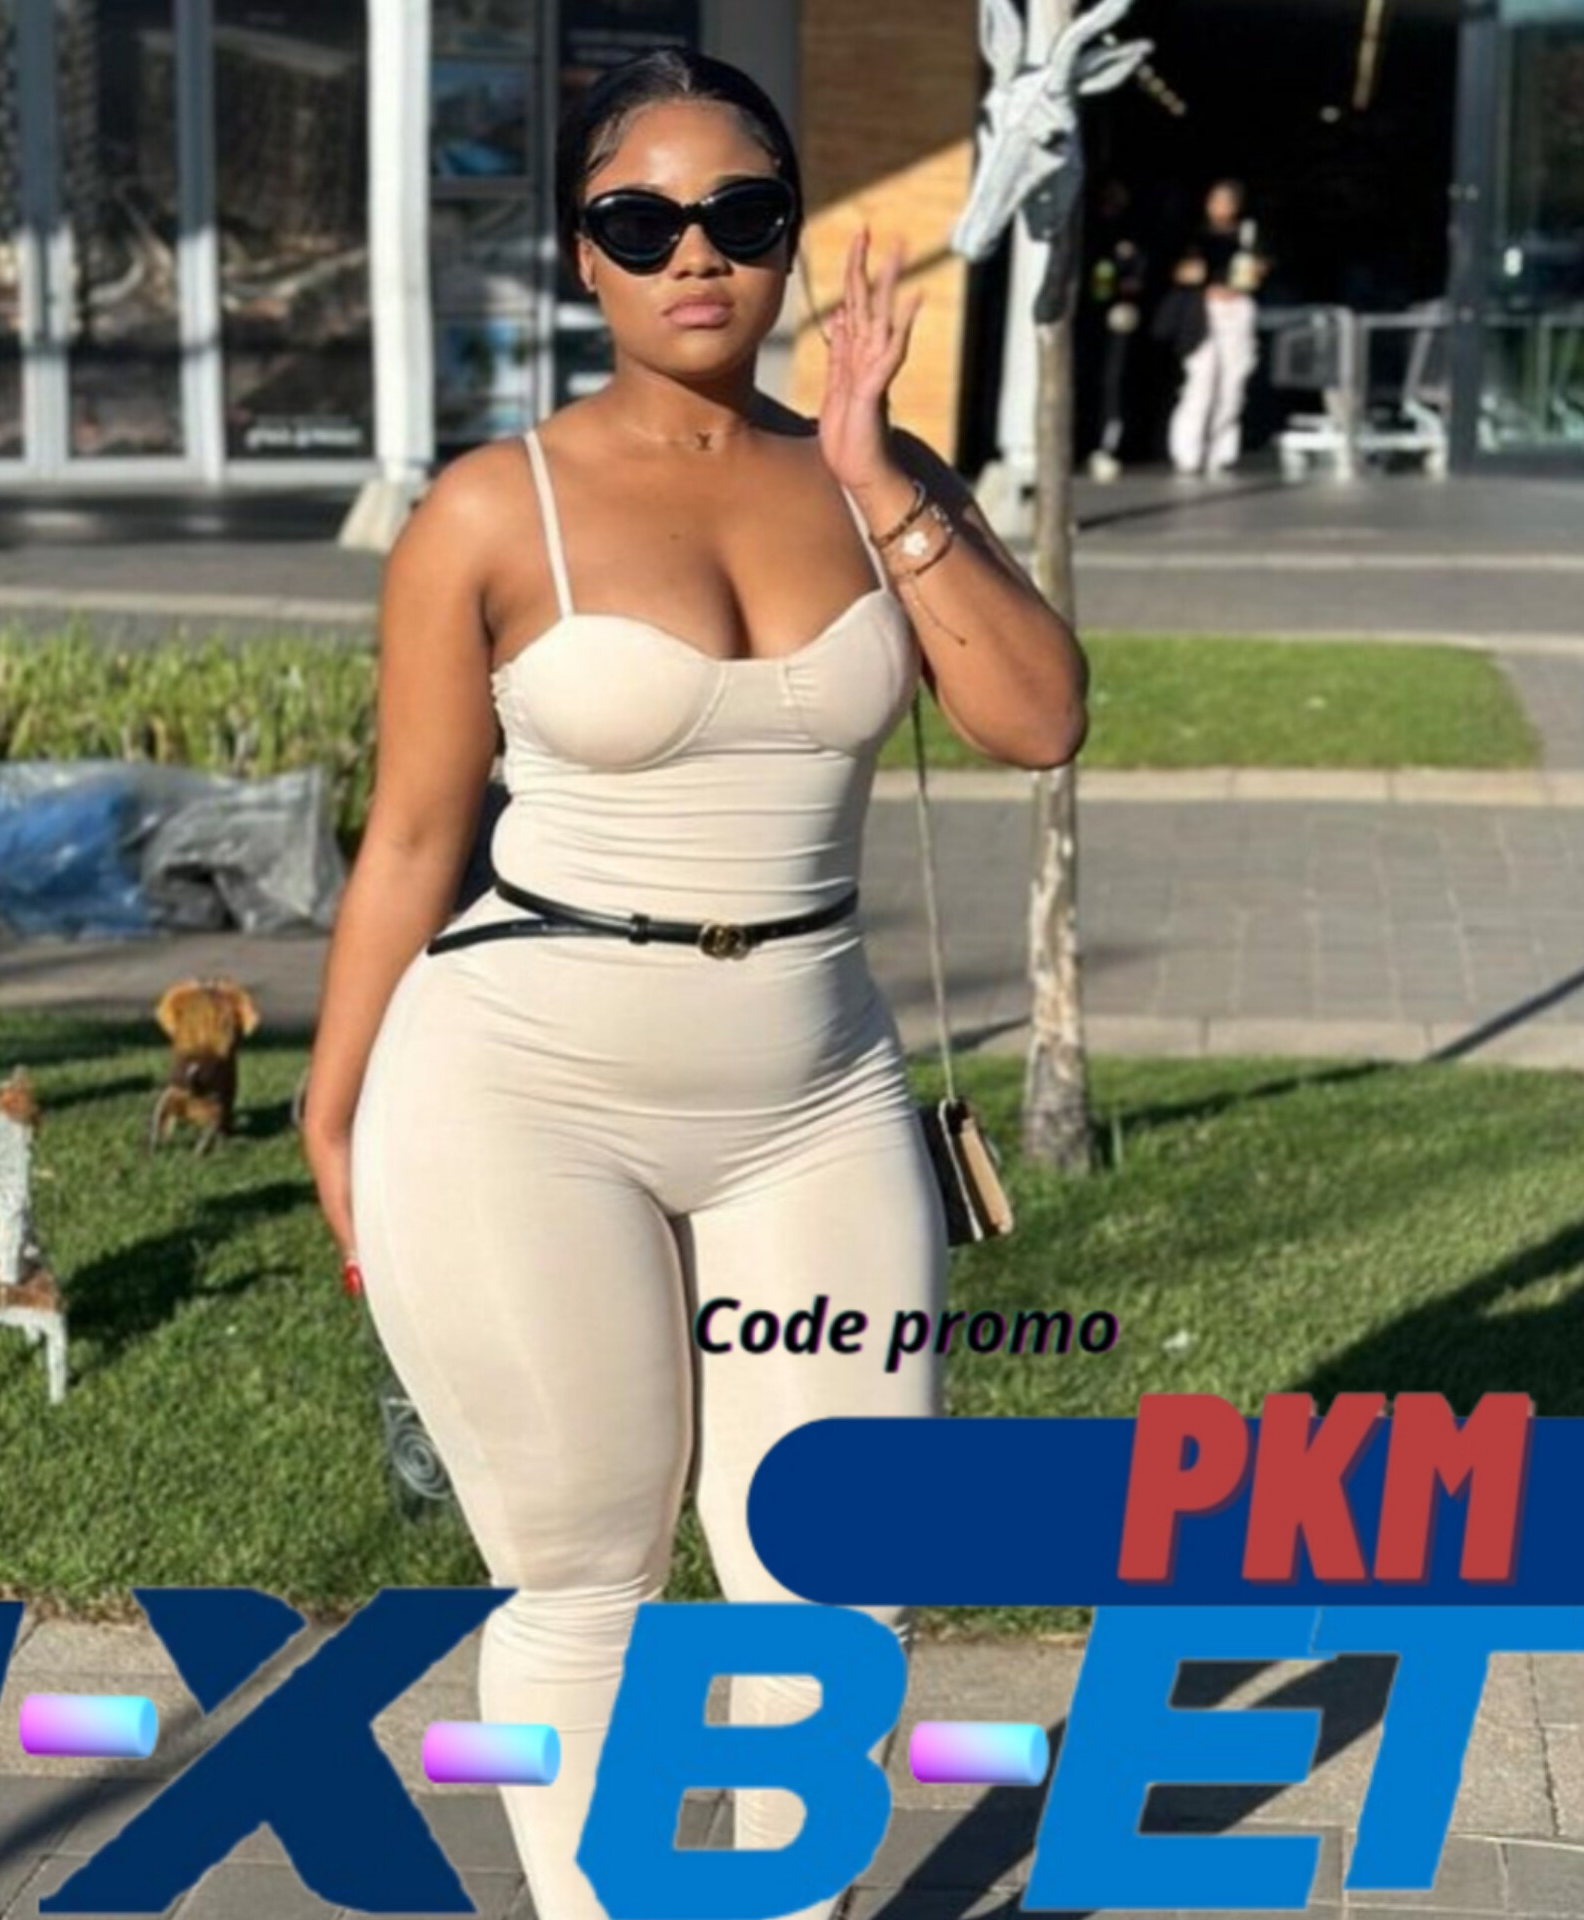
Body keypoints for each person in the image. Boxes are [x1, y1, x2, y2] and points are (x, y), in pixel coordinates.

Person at [300, 49, 1088, 1920]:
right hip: (518, 1089)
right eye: (640, 223)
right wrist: (332, 1112)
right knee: (584, 1570)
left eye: (739, 214)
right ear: (583, 255)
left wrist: (878, 468)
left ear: (791, 235)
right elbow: (411, 838)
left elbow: (1039, 718)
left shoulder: (873, 479)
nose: (695, 255)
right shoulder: (489, 512)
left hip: (814, 1089)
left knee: (840, 1574)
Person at [1161, 179, 1269, 477]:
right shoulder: (1196, 236)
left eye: (1227, 202)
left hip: (1238, 308)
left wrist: (1253, 272)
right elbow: (1180, 271)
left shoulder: (1249, 234)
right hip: (1204, 310)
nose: (1220, 208)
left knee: (1232, 383)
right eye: (1215, 201)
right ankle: (1187, 452)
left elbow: (1260, 270)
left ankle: (1221, 452)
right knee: (1201, 381)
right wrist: (1199, 278)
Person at [1085, 178, 1147, 482]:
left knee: (1113, 382)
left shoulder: (1129, 240)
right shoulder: (1088, 233)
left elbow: (1137, 279)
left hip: (1116, 319)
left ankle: (1106, 446)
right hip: (1087, 320)